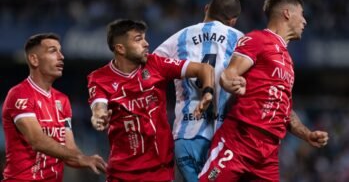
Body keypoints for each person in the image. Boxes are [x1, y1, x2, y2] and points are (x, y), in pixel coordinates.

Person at [198, 0, 329, 182]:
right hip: (240, 141)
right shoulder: (257, 39)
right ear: (287, 13)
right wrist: (232, 83)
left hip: (268, 155)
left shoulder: (287, 61)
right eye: (301, 14)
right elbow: (229, 73)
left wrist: (307, 134)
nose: (305, 21)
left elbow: (285, 110)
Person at [87, 19, 214, 182]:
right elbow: (98, 105)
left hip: (160, 171)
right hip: (122, 173)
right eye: (138, 39)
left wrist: (208, 92)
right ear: (120, 48)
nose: (146, 44)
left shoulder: (155, 64)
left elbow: (204, 68)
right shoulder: (99, 77)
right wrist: (98, 116)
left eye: (145, 38)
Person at [153, 0, 244, 182]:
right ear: (233, 21)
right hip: (224, 140)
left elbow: (150, 70)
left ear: (206, 9)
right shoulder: (241, 40)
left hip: (186, 135)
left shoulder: (179, 37)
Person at [2, 33, 107, 182]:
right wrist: (79, 157)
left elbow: (70, 152)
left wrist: (90, 160)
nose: (61, 56)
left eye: (60, 51)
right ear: (34, 59)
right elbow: (37, 140)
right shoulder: (19, 94)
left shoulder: (62, 100)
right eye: (53, 51)